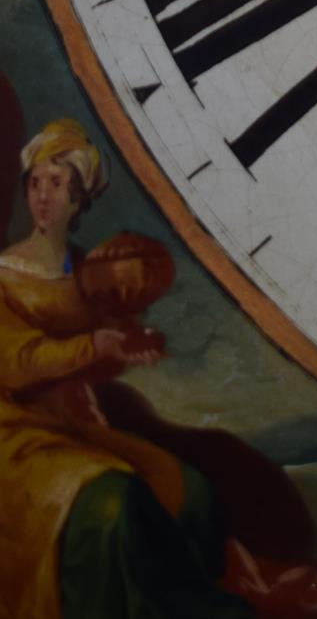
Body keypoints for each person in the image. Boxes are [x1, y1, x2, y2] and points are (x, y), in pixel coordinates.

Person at [0, 118, 258, 618]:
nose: (43, 197)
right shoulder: (5, 273)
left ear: (79, 199)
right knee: (110, 501)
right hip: (14, 436)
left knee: (188, 492)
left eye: (56, 185)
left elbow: (104, 349)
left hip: (73, 426)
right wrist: (94, 347)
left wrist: (129, 348)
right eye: (35, 184)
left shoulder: (88, 271)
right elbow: (15, 362)